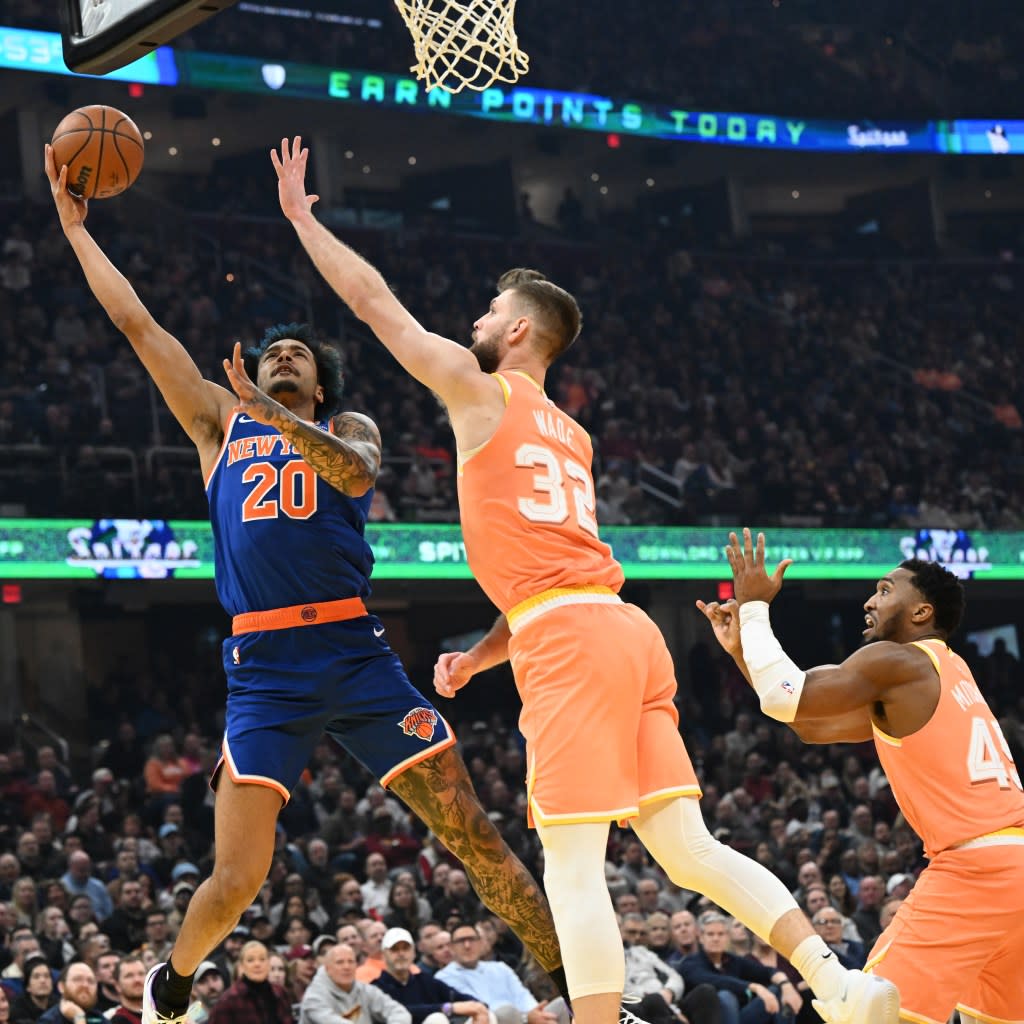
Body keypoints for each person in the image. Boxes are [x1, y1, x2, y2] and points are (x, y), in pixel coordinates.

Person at [269, 137, 900, 1024]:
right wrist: (479, 658)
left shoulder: (481, 392)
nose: (478, 320)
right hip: (621, 629)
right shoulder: (574, 433)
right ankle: (838, 983)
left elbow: (378, 308)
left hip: (568, 641)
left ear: (518, 330)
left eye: (491, 310)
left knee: (570, 863)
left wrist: (303, 221)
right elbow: (550, 574)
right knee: (689, 849)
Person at [45, 144, 576, 1024]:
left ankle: (582, 992)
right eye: (273, 354)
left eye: (298, 356)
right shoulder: (217, 425)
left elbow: (355, 473)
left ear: (319, 384)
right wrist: (75, 230)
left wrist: (274, 413)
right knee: (236, 879)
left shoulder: (346, 427)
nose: (283, 358)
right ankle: (172, 980)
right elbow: (139, 325)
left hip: (355, 652)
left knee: (475, 837)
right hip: (264, 669)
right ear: (253, 373)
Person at [697, 529, 1024, 1024]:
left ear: (922, 612)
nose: (870, 601)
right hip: (1011, 863)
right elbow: (810, 725)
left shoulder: (897, 660)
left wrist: (755, 607)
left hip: (976, 868)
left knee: (869, 1011)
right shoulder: (948, 671)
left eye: (886, 590)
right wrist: (745, 651)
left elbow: (785, 694)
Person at [434, 924, 564, 1024]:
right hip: (492, 1020)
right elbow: (481, 1008)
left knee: (561, 1004)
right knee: (507, 1012)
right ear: (451, 947)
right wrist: (527, 1017)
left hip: (526, 1017)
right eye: (461, 941)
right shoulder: (443, 977)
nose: (467, 945)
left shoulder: (500, 967)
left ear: (480, 943)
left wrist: (537, 1014)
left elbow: (522, 996)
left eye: (472, 939)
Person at [372, 927, 487, 1024]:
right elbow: (399, 1012)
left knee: (485, 1013)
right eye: (394, 949)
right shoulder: (376, 988)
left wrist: (478, 1006)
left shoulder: (424, 980)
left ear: (413, 953)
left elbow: (458, 997)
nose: (401, 954)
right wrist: (448, 1008)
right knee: (437, 1019)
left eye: (406, 948)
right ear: (383, 955)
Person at [299, 944, 408, 1024]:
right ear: (328, 969)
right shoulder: (314, 997)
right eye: (340, 962)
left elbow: (399, 1012)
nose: (346, 967)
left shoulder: (365, 990)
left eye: (351, 961)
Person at [207, 943, 290, 1024]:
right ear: (241, 966)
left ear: (268, 964)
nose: (257, 964)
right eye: (250, 960)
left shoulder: (280, 993)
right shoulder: (228, 1001)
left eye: (262, 959)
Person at [108, 957, 148, 1024]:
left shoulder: (162, 1011)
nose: (137, 980)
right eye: (129, 976)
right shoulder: (117, 1021)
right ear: (117, 985)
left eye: (141, 974)